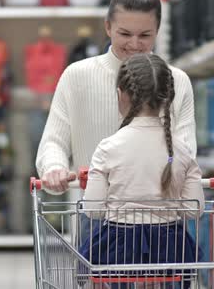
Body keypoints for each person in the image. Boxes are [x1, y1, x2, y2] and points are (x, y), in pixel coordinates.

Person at [35, 0, 197, 195]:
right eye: (125, 34)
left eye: (145, 35)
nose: (134, 44)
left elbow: (186, 149)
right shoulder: (76, 76)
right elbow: (54, 141)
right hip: (94, 212)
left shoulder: (177, 81)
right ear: (108, 27)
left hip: (161, 217)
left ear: (157, 30)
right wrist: (54, 167)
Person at [79, 53, 204, 289]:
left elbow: (92, 210)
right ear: (167, 98)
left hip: (119, 249)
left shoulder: (108, 148)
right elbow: (193, 210)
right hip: (170, 250)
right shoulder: (182, 149)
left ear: (120, 94)